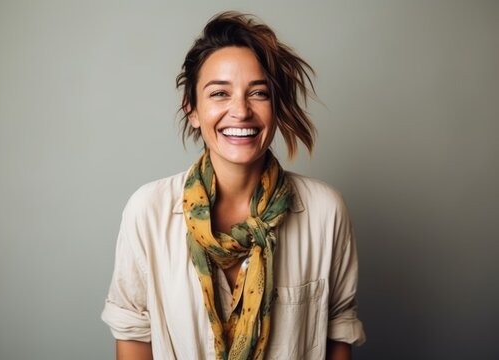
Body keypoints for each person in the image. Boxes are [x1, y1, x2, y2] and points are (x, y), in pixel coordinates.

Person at [101, 11, 365, 360]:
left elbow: (337, 333)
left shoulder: (325, 210)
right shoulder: (147, 211)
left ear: (277, 107)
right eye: (220, 94)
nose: (240, 111)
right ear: (192, 109)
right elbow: (134, 336)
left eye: (258, 93)